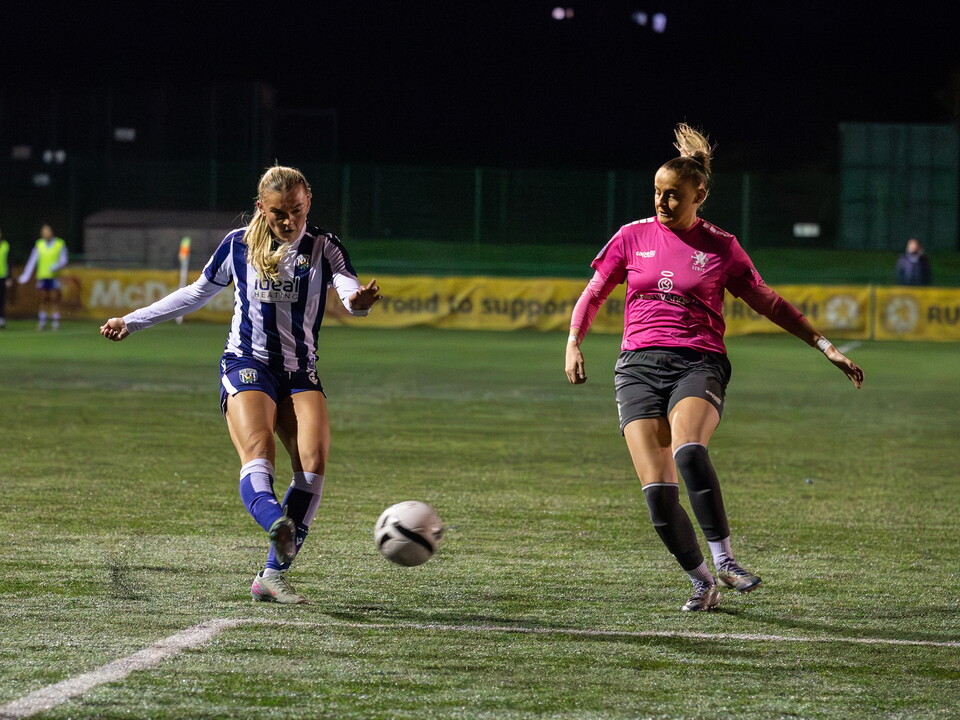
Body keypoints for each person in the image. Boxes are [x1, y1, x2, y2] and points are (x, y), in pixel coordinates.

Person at [564, 124, 864, 612]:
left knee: (688, 452)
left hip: (698, 362)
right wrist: (574, 343)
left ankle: (725, 560)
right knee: (659, 497)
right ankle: (702, 582)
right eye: (658, 193)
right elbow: (593, 294)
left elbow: (769, 301)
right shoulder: (630, 237)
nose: (662, 202)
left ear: (699, 194)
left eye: (673, 195)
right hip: (636, 367)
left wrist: (824, 344)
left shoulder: (721, 247)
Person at [100, 165, 382, 604]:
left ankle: (271, 576)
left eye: (297, 211)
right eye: (278, 214)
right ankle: (276, 521)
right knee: (259, 453)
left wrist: (359, 302)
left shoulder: (324, 247)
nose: (289, 222)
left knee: (313, 465)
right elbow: (195, 293)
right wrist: (130, 321)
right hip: (247, 364)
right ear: (261, 209)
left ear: (309, 203)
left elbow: (349, 292)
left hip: (299, 372)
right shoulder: (238, 246)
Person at [17, 223, 68, 330]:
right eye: (43, 232)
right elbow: (32, 260)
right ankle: (42, 320)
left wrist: (57, 266)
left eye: (47, 231)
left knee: (55, 299)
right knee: (43, 299)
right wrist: (26, 275)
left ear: (51, 232)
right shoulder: (39, 244)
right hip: (42, 276)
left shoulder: (59, 243)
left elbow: (64, 259)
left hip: (54, 276)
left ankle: (55, 320)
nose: (45, 234)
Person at [0, 228, 10, 328]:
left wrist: (9, 277)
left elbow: (9, 262)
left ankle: (2, 319)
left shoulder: (5, 246)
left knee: (2, 299)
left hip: (2, 276)